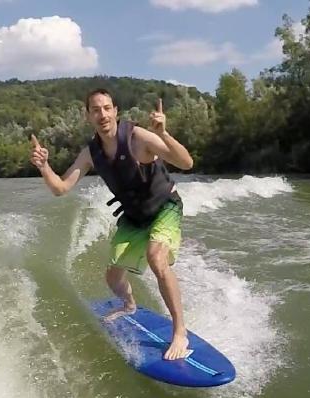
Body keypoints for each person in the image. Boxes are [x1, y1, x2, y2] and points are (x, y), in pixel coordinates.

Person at [30, 88, 194, 360]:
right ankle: (129, 305)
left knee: (156, 258)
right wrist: (44, 167)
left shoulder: (138, 137)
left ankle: (180, 331)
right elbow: (60, 188)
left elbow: (186, 163)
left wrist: (164, 134)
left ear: (116, 111)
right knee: (113, 278)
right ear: (88, 116)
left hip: (164, 206)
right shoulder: (90, 153)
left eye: (107, 108)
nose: (102, 114)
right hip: (134, 216)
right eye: (96, 110)